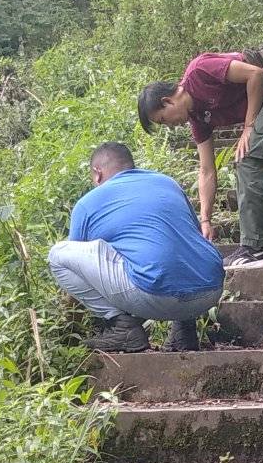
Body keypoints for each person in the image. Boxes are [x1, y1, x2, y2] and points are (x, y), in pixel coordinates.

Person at [137, 44, 263, 270]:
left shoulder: (199, 72)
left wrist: (249, 126)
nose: (170, 126)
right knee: (248, 161)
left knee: (249, 161)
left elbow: (255, 74)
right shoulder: (197, 120)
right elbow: (206, 170)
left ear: (167, 101)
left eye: (163, 120)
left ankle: (256, 250)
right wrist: (205, 220)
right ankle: (255, 248)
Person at [47, 141, 224, 353]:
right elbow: (189, 237)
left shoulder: (88, 203)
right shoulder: (168, 183)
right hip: (212, 290)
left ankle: (123, 329)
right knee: (173, 246)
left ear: (97, 173)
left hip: (155, 296)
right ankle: (184, 330)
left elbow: (77, 269)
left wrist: (68, 331)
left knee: (58, 254)